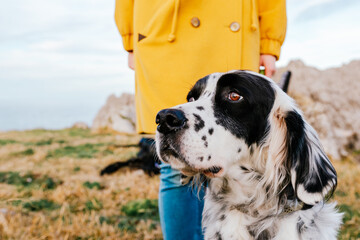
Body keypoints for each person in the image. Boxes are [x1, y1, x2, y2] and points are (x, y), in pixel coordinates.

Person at [114, 0, 286, 239]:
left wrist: (269, 41)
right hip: (165, 30)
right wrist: (130, 36)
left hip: (234, 28)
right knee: (175, 165)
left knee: (239, 163)